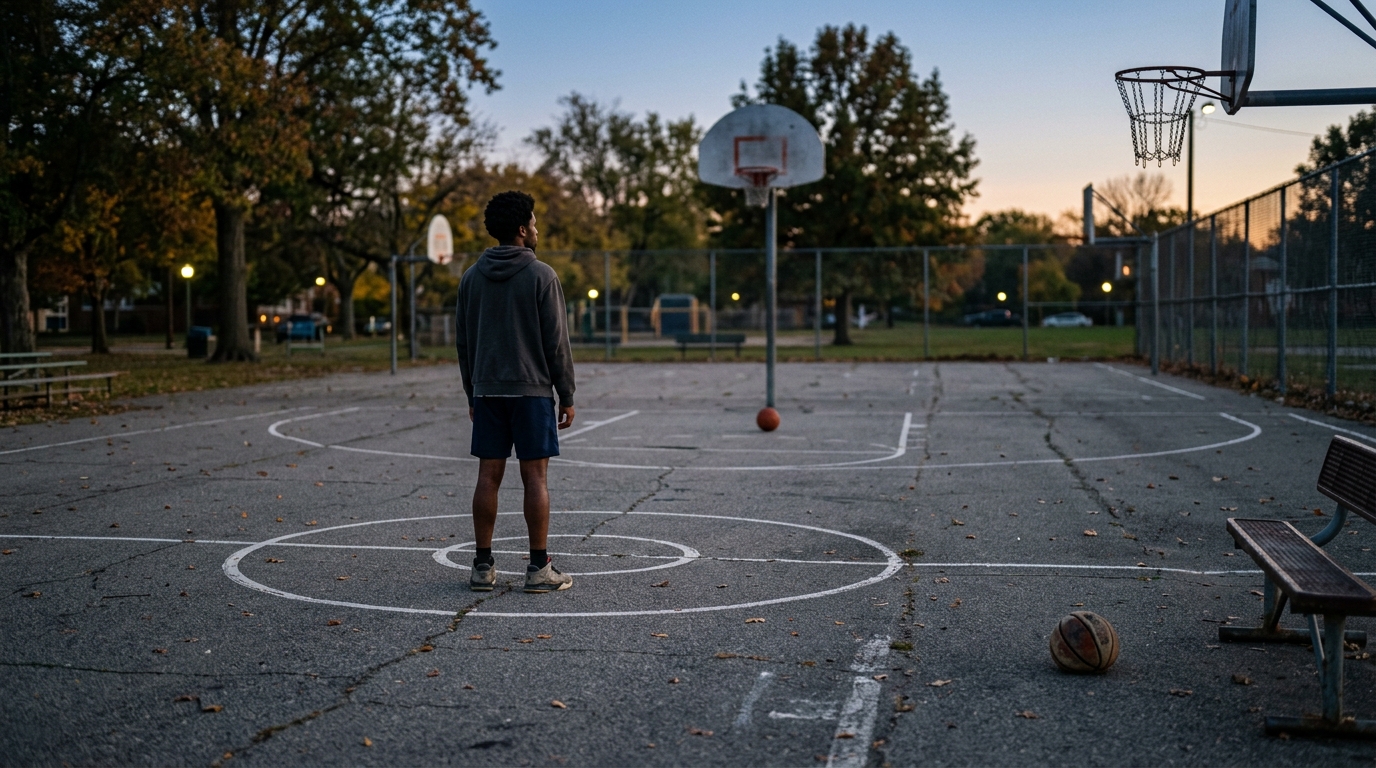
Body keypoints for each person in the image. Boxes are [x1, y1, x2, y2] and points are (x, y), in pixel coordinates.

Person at [456, 191, 576, 593]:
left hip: (488, 392)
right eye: (536, 222)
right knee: (535, 478)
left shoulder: (471, 277)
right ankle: (539, 569)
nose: (538, 229)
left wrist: (473, 391)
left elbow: (463, 342)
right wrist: (568, 393)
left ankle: (482, 566)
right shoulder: (542, 275)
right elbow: (556, 342)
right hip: (532, 393)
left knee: (487, 477)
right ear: (523, 229)